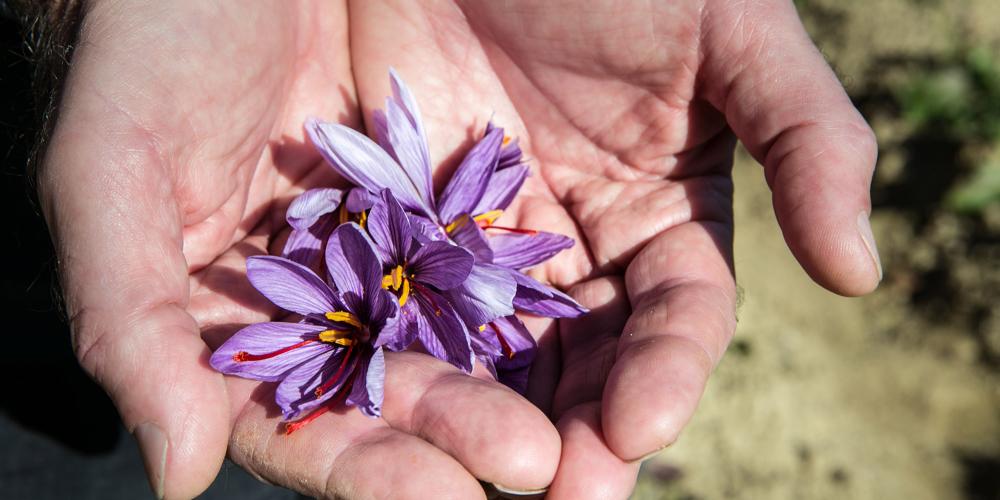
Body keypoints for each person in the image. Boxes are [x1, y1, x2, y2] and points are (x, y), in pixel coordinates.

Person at [30, 0, 880, 498]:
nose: (402, 280)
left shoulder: (412, 266)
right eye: (402, 277)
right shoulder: (386, 272)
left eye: (405, 276)